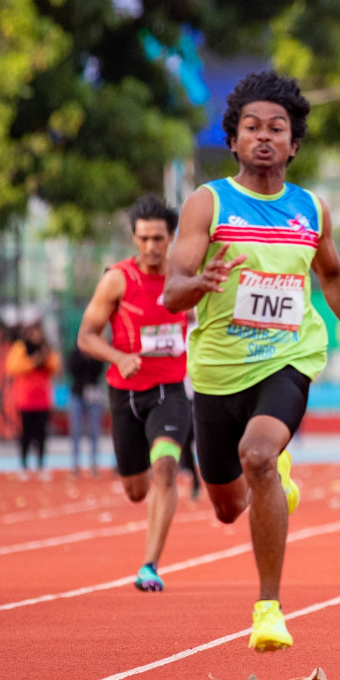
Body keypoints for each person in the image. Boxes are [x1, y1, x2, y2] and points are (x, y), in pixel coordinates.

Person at [163, 70, 340, 651]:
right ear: (234, 140)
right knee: (225, 505)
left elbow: (335, 279)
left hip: (287, 357)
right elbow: (171, 290)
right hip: (216, 370)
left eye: (277, 129)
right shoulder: (208, 202)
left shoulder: (310, 209)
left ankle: (269, 610)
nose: (263, 138)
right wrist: (200, 281)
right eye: (251, 128)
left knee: (259, 456)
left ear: (294, 144)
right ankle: (270, 485)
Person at [77, 194, 193, 591]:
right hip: (125, 393)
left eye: (159, 238)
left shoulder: (184, 280)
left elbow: (205, 319)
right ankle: (140, 485)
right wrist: (117, 356)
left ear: (172, 237)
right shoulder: (117, 279)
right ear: (134, 238)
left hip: (169, 390)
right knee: (135, 489)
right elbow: (86, 336)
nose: (152, 247)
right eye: (144, 239)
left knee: (165, 469)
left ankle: (149, 565)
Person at [6, 322, 59, 475]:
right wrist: (35, 360)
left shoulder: (46, 348)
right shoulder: (20, 348)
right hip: (25, 399)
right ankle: (23, 464)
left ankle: (41, 464)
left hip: (42, 399)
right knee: (26, 433)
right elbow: (13, 367)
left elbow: (55, 366)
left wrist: (45, 356)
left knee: (42, 434)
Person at [65, 341, 106, 478]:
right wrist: (84, 357)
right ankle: (75, 465)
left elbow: (99, 370)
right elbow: (72, 369)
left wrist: (91, 357)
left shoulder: (97, 353)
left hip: (93, 393)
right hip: (77, 393)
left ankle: (94, 464)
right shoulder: (75, 353)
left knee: (94, 431)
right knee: (76, 431)